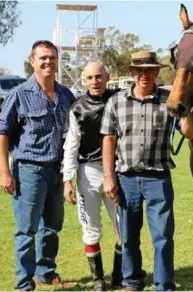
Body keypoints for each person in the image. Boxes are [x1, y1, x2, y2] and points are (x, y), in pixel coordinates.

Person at [0, 40, 77, 290]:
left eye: (52, 57)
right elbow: (1, 132)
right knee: (27, 230)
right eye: (42, 58)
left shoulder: (66, 95)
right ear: (33, 62)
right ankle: (23, 284)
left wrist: (68, 175)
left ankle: (46, 272)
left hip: (57, 170)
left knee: (52, 227)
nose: (48, 62)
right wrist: (4, 172)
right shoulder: (19, 94)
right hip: (29, 169)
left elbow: (72, 134)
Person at [100, 51, 177, 291]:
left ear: (157, 72)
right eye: (140, 70)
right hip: (126, 178)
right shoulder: (116, 102)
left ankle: (163, 285)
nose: (145, 75)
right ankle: (132, 281)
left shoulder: (169, 100)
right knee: (128, 236)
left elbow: (190, 131)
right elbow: (109, 140)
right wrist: (108, 176)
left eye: (150, 70)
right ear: (132, 72)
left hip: (158, 177)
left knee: (163, 236)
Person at [62, 61, 122, 291]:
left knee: (122, 227)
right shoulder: (77, 108)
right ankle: (98, 280)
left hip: (116, 172)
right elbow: (71, 146)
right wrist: (67, 180)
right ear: (83, 80)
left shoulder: (119, 101)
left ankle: (119, 276)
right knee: (91, 228)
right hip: (88, 173)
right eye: (89, 78)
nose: (95, 82)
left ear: (108, 77)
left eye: (99, 77)